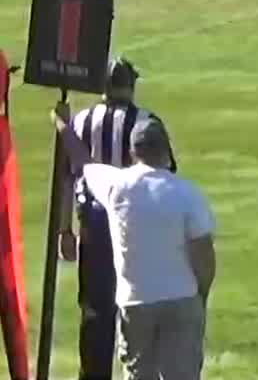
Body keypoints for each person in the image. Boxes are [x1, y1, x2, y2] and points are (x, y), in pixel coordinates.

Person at [51, 110, 214, 380]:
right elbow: (204, 254)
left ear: (133, 151)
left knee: (139, 375)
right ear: (166, 149)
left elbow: (82, 162)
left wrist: (61, 124)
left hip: (135, 302)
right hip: (181, 298)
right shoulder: (188, 193)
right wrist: (202, 295)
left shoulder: (117, 186)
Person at [61, 59, 171, 380]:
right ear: (131, 85)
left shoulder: (82, 121)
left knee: (95, 308)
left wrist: (65, 229)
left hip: (92, 226)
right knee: (136, 302)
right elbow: (163, 178)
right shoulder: (146, 122)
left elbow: (68, 178)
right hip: (135, 226)